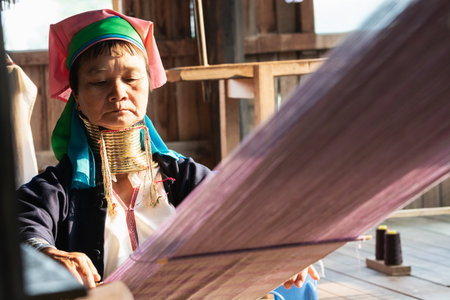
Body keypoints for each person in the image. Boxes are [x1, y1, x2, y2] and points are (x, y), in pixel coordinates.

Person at [16, 9, 318, 293]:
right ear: (77, 98)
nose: (119, 93)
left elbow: (239, 209)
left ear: (148, 86)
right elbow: (23, 226)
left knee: (297, 285)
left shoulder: (182, 176)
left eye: (132, 79)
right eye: (99, 81)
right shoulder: (57, 190)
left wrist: (275, 245)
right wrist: (47, 252)